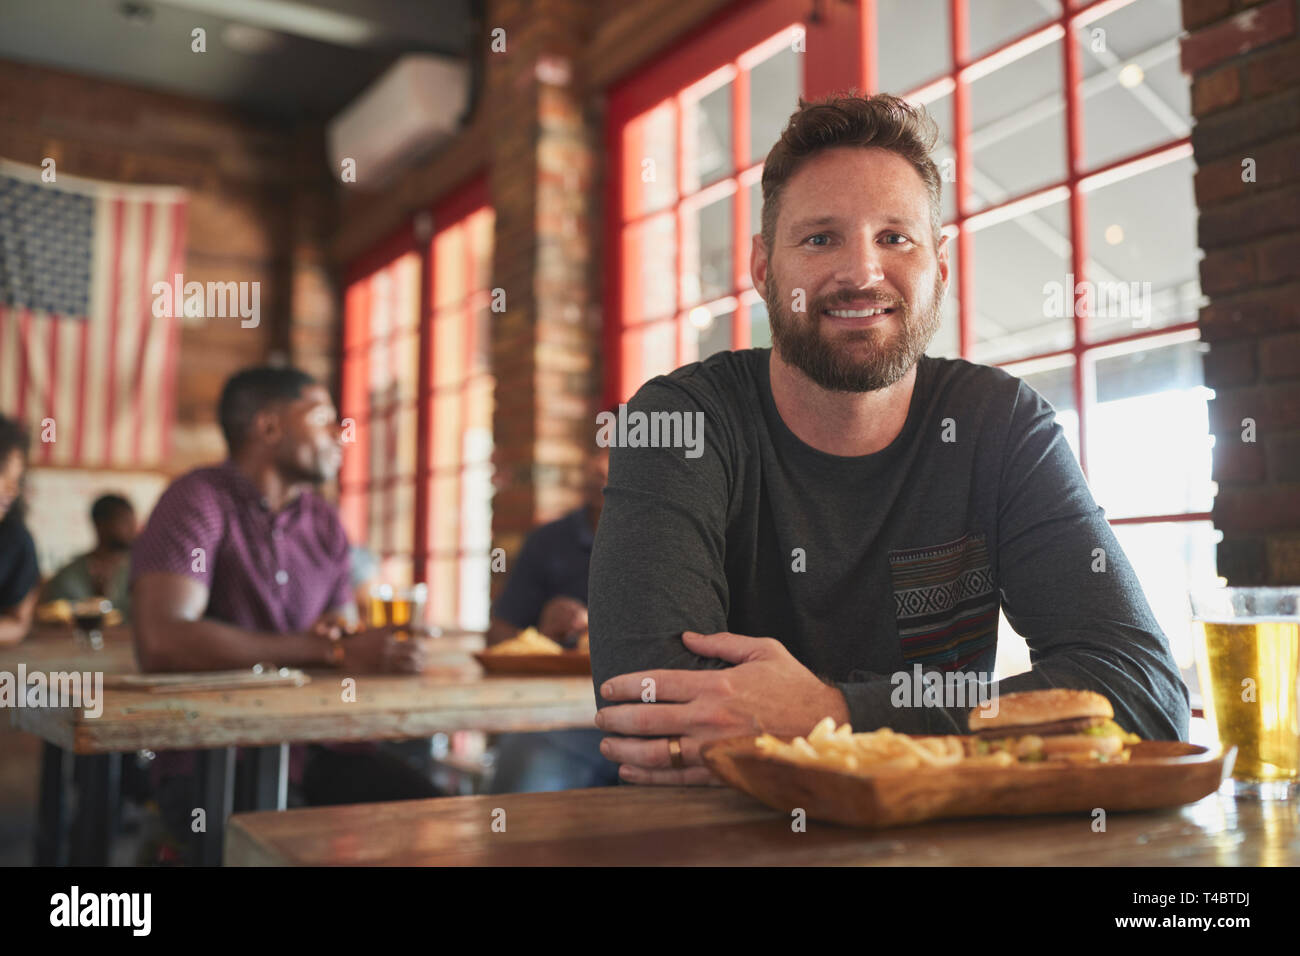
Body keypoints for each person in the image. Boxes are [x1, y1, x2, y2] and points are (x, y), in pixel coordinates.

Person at [588, 93, 1190, 786]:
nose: (862, 273)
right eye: (820, 239)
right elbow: (652, 709)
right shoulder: (681, 423)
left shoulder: (1001, 424)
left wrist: (834, 714)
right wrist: (942, 728)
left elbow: (1142, 694)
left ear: (938, 264)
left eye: (893, 238)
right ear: (762, 269)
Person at [130, 366, 438, 853]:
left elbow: (337, 629)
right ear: (269, 427)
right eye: (323, 418)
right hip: (216, 755)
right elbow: (163, 640)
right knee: (265, 852)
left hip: (319, 745)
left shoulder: (323, 521)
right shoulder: (198, 499)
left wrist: (352, 643)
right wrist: (329, 653)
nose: (342, 435)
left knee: (442, 830)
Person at [487, 445, 620, 792]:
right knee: (527, 770)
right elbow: (497, 639)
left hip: (653, 717)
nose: (602, 467)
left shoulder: (674, 539)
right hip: (561, 719)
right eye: (602, 452)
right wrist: (543, 633)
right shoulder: (549, 541)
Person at [40, 494, 137, 617]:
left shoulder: (142, 573)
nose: (133, 528)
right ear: (100, 525)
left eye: (133, 521)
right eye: (125, 521)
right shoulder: (68, 577)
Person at [0, 415, 38, 645]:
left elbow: (18, 622)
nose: (12, 489)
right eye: (4, 475)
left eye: (17, 479)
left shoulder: (17, 541)